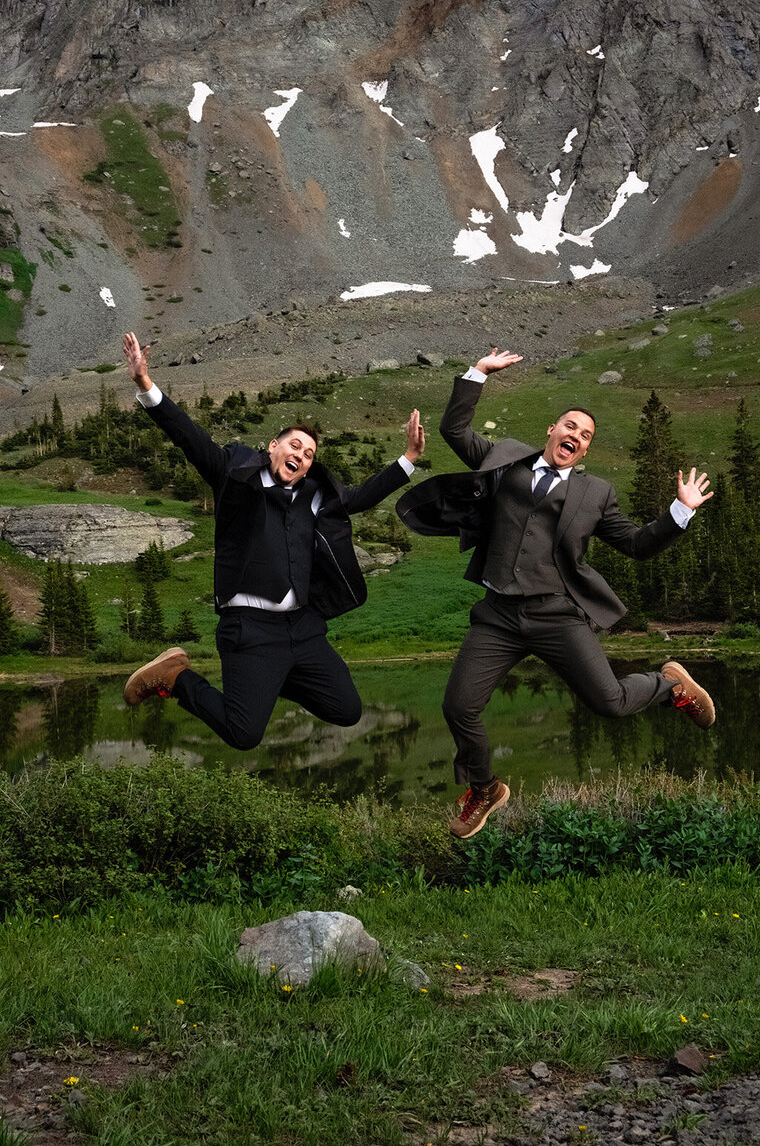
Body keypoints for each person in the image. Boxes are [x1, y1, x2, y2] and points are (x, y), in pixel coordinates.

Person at [397, 348, 715, 839]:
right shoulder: (505, 461)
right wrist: (478, 373)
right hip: (498, 616)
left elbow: (636, 545)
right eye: (570, 426)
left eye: (585, 436)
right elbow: (454, 431)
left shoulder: (595, 494)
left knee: (611, 703)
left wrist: (680, 512)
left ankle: (669, 684)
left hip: (557, 614)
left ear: (584, 452)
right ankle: (484, 788)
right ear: (551, 430)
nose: (576, 436)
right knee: (458, 707)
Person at [121, 331, 424, 752]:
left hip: (302, 628)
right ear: (273, 447)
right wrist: (144, 384)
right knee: (243, 734)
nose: (300, 455)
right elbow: (189, 437)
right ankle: (176, 678)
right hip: (250, 629)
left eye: (309, 454)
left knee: (347, 709)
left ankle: (268, 680)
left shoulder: (315, 497)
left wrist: (409, 458)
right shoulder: (233, 474)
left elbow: (360, 497)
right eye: (294, 445)